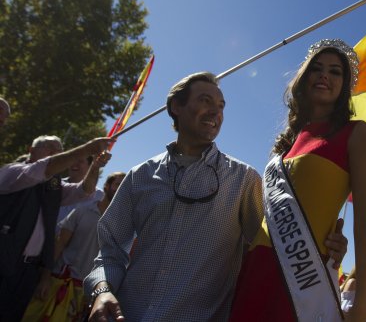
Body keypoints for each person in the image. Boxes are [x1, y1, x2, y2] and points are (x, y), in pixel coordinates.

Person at [84, 71, 348, 322]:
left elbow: (271, 252)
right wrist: (102, 291)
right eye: (205, 100)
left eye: (221, 106)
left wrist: (324, 248)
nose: (216, 112)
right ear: (177, 106)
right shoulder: (139, 176)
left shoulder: (244, 179)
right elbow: (110, 252)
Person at [229, 39, 366, 322]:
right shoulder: (285, 144)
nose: (325, 75)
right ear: (304, 77)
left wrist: (361, 304)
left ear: (345, 85)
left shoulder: (357, 134)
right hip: (255, 269)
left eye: (336, 72)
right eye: (317, 68)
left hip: (301, 283)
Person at [0, 135, 112, 321]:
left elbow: (84, 191)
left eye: (59, 150)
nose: (55, 153)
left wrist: (95, 166)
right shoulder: (13, 172)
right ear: (31, 150)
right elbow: (40, 170)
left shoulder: (53, 187)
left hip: (29, 271)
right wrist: (86, 149)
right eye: (49, 147)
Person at [56, 155, 106, 228]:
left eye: (80, 161)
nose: (74, 163)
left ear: (90, 166)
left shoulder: (100, 196)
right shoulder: (55, 186)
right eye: (72, 160)